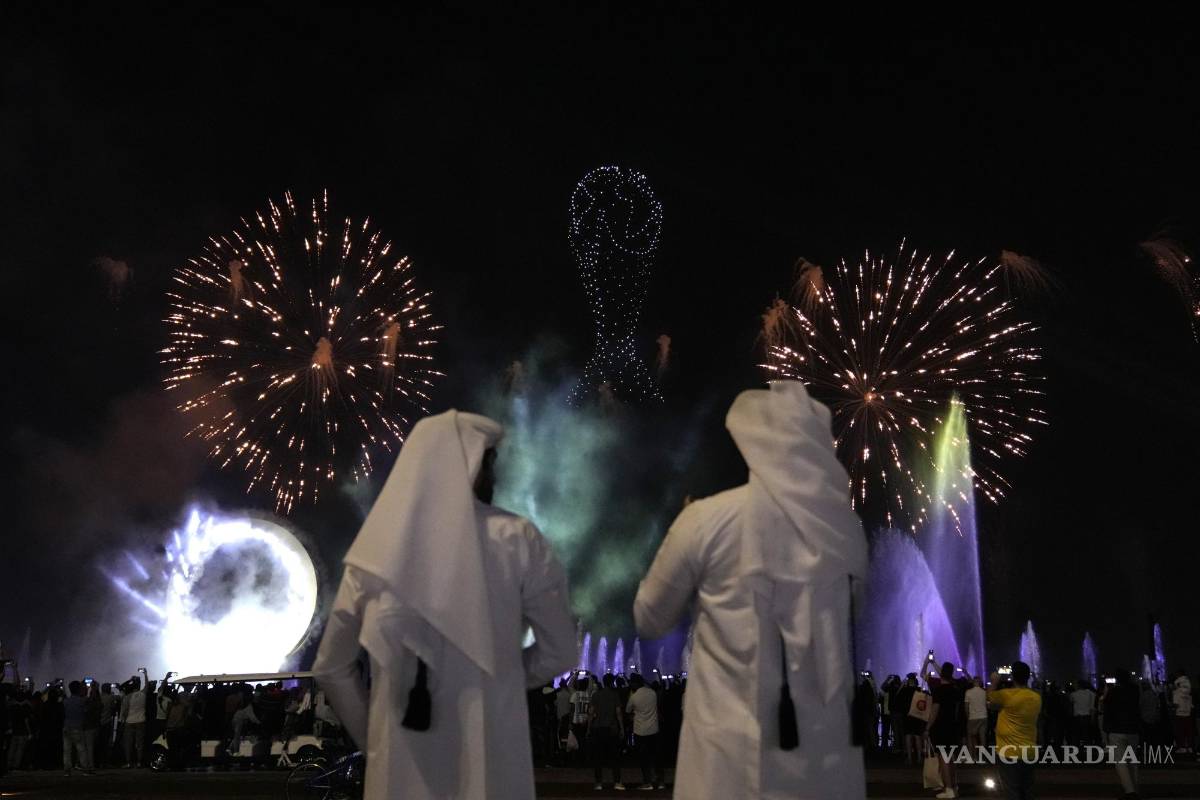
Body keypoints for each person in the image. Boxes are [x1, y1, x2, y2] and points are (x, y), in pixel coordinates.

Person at [313, 409, 576, 800]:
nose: (494, 476)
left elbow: (331, 666)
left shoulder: (375, 554)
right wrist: (497, 677)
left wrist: (375, 740)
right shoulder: (517, 539)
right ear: (471, 466)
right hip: (492, 756)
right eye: (489, 463)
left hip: (399, 764)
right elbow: (561, 653)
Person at [634, 381, 867, 798]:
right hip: (825, 756)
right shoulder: (846, 534)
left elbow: (649, 618)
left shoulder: (705, 519)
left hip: (727, 760)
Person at [988, 661, 1041, 800]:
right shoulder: (1036, 697)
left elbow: (989, 697)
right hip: (1029, 751)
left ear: (1012, 677)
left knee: (1012, 791)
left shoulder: (1007, 695)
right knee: (1027, 791)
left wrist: (994, 681)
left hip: (1009, 751)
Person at [927, 662, 964, 799]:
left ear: (941, 674)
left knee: (943, 759)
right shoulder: (956, 690)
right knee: (951, 758)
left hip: (941, 726)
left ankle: (948, 789)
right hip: (953, 727)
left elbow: (935, 711)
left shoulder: (939, 690)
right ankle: (954, 786)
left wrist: (927, 728)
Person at [1104, 669, 1141, 800]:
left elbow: (1107, 709)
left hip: (1116, 729)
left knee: (1120, 761)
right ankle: (1135, 788)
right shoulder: (1135, 691)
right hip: (1132, 729)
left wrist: (1106, 729)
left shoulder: (1113, 692)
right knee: (1132, 761)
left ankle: (1129, 791)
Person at [625, 673, 663, 790]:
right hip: (654, 729)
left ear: (635, 683)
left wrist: (634, 716)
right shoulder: (652, 693)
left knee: (643, 758)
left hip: (640, 731)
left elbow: (627, 710)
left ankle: (647, 782)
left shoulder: (634, 697)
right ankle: (660, 781)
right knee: (655, 756)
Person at [589, 673, 625, 790]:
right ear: (612, 682)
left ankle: (599, 783)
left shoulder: (596, 695)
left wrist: (588, 728)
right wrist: (622, 728)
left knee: (598, 757)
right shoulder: (615, 695)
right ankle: (617, 782)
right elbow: (618, 713)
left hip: (598, 728)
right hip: (612, 729)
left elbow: (591, 713)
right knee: (615, 757)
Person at [62, 680, 92, 775]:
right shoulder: (82, 701)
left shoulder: (65, 701)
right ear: (79, 689)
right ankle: (85, 769)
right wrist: (88, 688)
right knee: (81, 750)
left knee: (67, 751)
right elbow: (87, 709)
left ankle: (67, 770)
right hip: (77, 727)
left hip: (67, 727)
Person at [896, 673, 926, 765]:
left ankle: (909, 758)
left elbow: (897, 696)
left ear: (908, 680)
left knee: (908, 737)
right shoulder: (919, 690)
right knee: (917, 737)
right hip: (917, 716)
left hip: (907, 716)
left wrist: (902, 684)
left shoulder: (904, 690)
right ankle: (919, 758)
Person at [120, 677, 146, 767]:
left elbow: (125, 711)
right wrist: (145, 674)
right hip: (141, 721)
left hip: (129, 721)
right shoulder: (143, 694)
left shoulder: (127, 697)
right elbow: (147, 686)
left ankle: (128, 763)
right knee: (139, 743)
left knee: (128, 743)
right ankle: (139, 762)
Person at [1170, 670, 1193, 754]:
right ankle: (1189, 746)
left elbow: (1175, 704)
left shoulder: (1177, 691)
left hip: (1179, 713)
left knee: (1180, 731)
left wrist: (1172, 708)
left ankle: (1182, 747)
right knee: (1188, 731)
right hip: (1188, 712)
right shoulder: (1189, 689)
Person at [1069, 679, 1096, 747]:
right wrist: (1092, 718)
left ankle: (1075, 750)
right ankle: (1088, 750)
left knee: (1076, 735)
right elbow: (1092, 707)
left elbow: (1071, 704)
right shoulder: (1091, 694)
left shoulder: (1073, 694)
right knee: (1087, 734)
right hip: (1087, 716)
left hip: (1077, 717)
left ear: (1078, 685)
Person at [965, 676, 989, 752]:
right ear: (980, 683)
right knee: (982, 737)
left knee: (970, 737)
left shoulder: (968, 692)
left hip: (973, 717)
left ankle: (972, 756)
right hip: (983, 716)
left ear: (973, 682)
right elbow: (988, 705)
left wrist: (967, 716)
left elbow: (966, 707)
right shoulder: (985, 692)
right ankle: (982, 756)